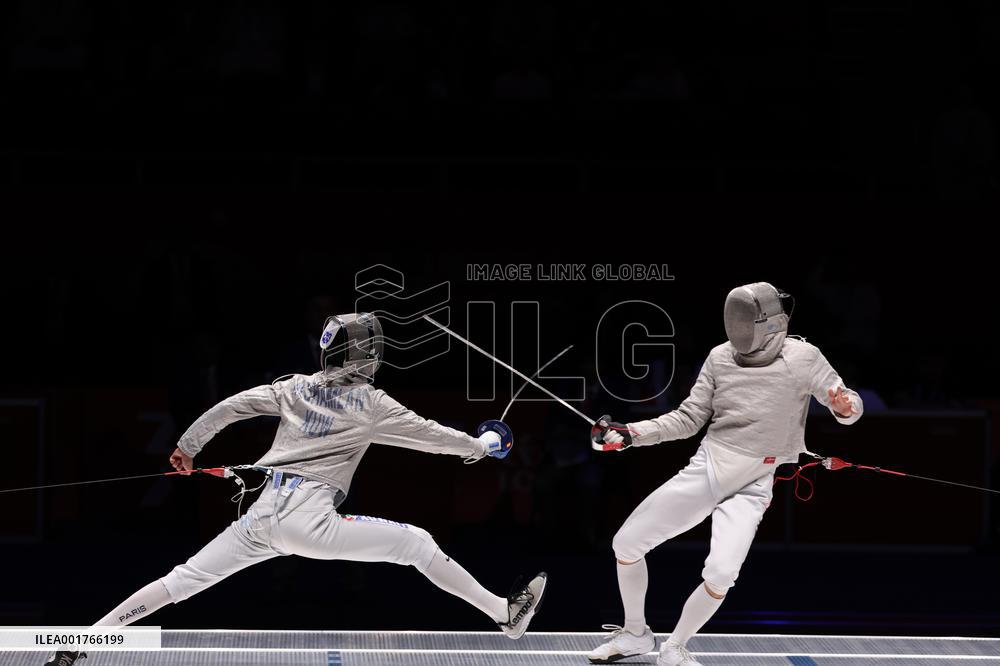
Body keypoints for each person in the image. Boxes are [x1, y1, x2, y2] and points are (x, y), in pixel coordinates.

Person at [45, 313, 547, 666]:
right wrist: (483, 444)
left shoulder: (292, 388)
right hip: (310, 520)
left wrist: (188, 446)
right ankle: (504, 614)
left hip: (261, 517)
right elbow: (433, 438)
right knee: (415, 544)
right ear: (365, 356)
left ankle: (85, 639)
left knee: (183, 580)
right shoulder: (371, 403)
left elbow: (233, 405)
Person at [587, 283, 862, 666]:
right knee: (627, 543)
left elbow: (849, 406)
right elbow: (688, 418)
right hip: (711, 466)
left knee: (721, 573)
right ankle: (635, 634)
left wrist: (845, 405)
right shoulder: (719, 357)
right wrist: (634, 434)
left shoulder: (804, 357)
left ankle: (675, 646)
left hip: (755, 482)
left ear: (768, 321)